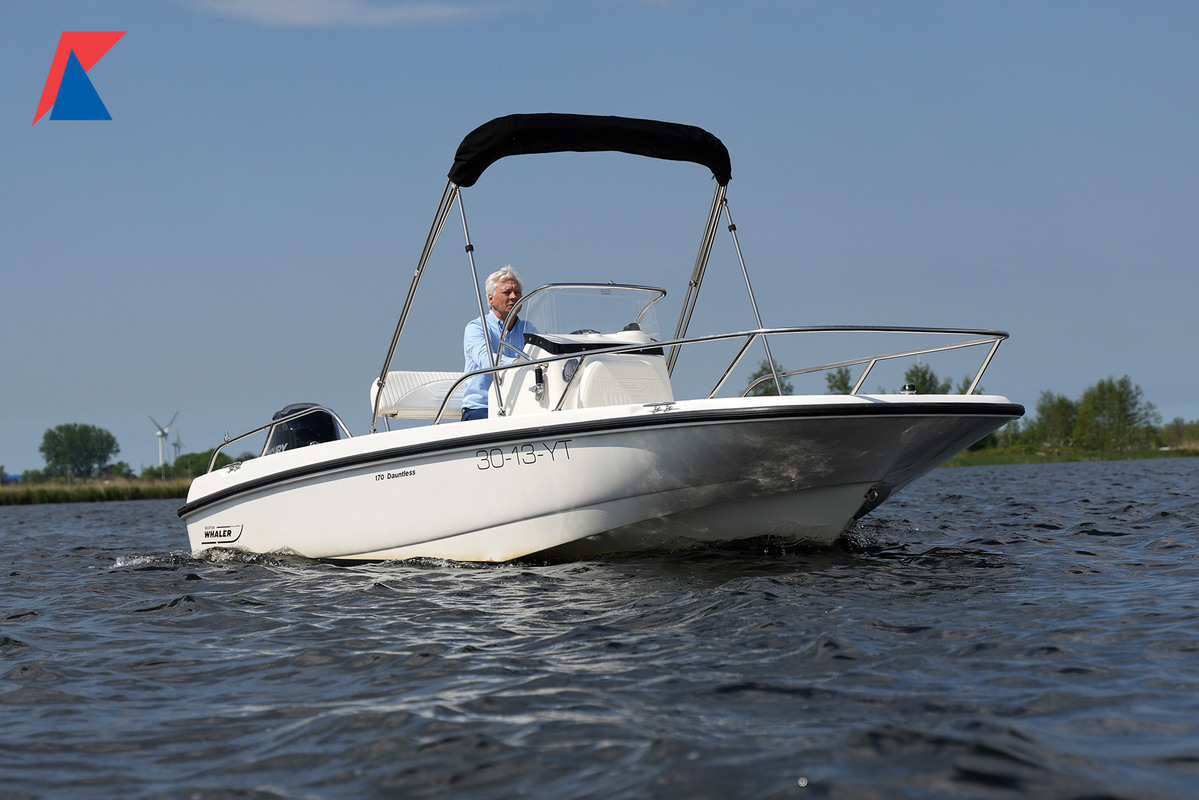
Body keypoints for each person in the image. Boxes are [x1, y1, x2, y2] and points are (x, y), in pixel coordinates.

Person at [461, 265, 534, 420]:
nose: (513, 297)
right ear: (491, 298)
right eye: (507, 292)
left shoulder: (529, 329)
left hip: (521, 407)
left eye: (517, 293)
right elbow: (485, 360)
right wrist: (516, 363)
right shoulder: (477, 328)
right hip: (482, 408)